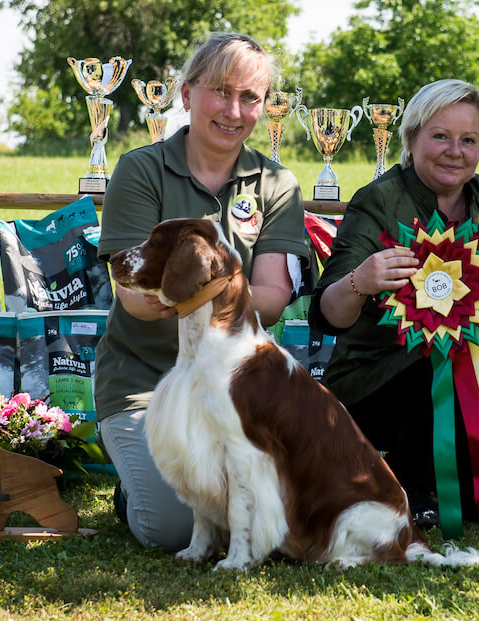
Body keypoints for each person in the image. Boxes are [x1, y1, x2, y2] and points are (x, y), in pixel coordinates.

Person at [308, 79, 479, 528]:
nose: (454, 151)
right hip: (377, 384)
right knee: (437, 354)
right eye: (440, 136)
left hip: (473, 389)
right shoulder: (377, 201)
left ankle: (402, 486)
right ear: (412, 138)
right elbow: (326, 315)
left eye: (469, 140)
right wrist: (359, 282)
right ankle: (406, 489)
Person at [94, 33, 309, 550]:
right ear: (187, 94)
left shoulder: (278, 183)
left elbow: (274, 297)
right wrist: (226, 289)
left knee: (290, 519)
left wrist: (192, 285)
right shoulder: (140, 169)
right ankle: (134, 483)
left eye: (250, 97)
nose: (234, 110)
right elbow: (137, 303)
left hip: (242, 389)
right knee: (169, 530)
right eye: (220, 91)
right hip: (148, 383)